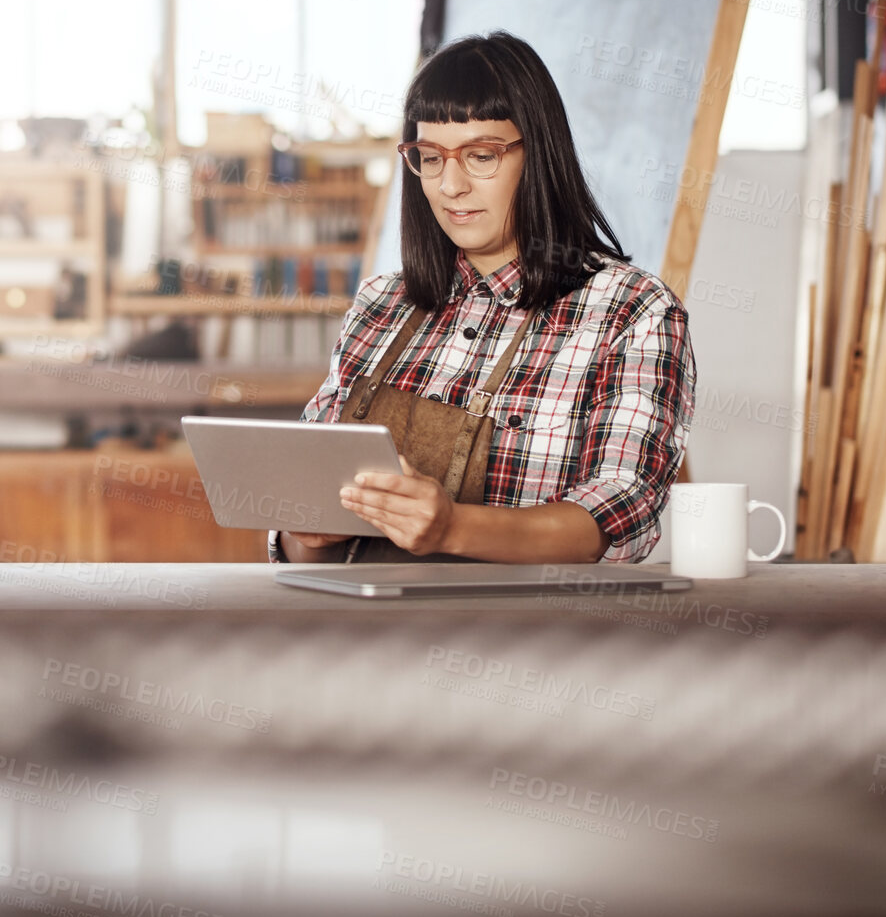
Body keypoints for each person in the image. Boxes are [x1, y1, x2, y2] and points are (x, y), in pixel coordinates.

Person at [270, 31, 695, 567]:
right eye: (430, 157)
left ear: (537, 154)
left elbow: (615, 516)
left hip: (527, 640)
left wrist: (450, 526)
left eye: (481, 156)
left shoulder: (632, 311)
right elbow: (300, 524)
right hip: (355, 639)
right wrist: (304, 531)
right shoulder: (382, 304)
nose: (450, 186)